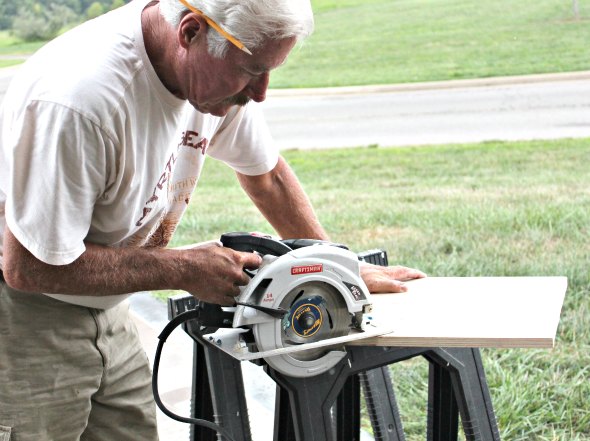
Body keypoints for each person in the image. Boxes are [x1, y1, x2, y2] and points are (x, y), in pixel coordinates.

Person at [0, 0, 426, 439]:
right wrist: (183, 267)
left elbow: (269, 178)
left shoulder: (209, 76)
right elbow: (30, 266)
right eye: (252, 69)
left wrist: (336, 269)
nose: (260, 92)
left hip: (107, 304)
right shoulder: (79, 99)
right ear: (190, 32)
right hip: (24, 317)